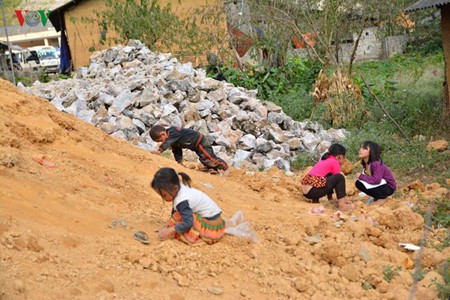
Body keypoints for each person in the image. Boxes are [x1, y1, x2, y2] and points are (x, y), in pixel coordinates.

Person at [151, 167, 225, 245]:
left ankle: (201, 236)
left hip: (212, 226)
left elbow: (188, 222)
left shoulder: (181, 201)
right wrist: (168, 228)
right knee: (179, 215)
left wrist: (171, 230)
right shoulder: (180, 188)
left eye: (164, 195)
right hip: (216, 218)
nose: (163, 198)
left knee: (180, 218)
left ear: (175, 188)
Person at [150, 125, 230, 176]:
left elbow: (168, 142)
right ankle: (213, 169)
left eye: (161, 140)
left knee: (209, 157)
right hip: (195, 145)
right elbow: (177, 150)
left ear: (163, 134)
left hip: (200, 141)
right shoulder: (172, 139)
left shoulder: (172, 132)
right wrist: (179, 162)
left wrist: (160, 150)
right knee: (203, 158)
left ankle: (225, 168)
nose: (162, 142)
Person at [301, 144, 354, 211]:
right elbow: (337, 181)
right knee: (340, 177)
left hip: (306, 192)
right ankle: (342, 205)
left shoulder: (324, 160)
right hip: (313, 191)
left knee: (329, 177)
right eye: (344, 157)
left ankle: (317, 200)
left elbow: (329, 179)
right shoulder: (335, 162)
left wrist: (330, 199)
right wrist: (344, 199)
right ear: (340, 157)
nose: (345, 160)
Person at [355, 141, 396, 205]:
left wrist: (361, 176)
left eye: (364, 148)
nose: (360, 150)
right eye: (361, 147)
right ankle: (377, 196)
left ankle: (382, 198)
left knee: (361, 180)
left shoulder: (376, 164)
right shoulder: (365, 163)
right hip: (381, 185)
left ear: (371, 152)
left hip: (388, 187)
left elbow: (376, 180)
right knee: (359, 183)